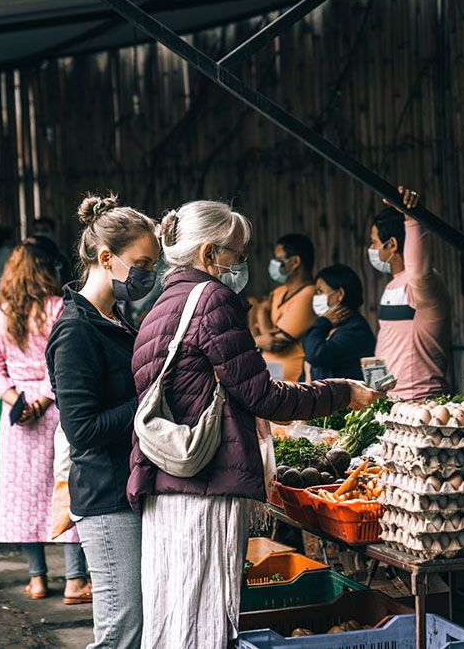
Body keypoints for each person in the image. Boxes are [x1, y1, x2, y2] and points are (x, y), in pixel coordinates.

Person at [129, 200, 383, 649]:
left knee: (172, 613)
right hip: (207, 487)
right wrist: (342, 392)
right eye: (237, 253)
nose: (242, 264)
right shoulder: (211, 298)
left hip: (168, 482)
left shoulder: (163, 303)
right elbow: (262, 395)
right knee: (205, 614)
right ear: (209, 254)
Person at [45, 194, 160, 649]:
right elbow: (83, 430)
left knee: (136, 624)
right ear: (107, 257)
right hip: (104, 496)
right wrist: (151, 400)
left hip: (127, 486)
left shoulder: (115, 319)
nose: (147, 275)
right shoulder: (75, 330)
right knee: (120, 631)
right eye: (142, 263)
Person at [0, 241, 90, 605]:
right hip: (56, 409)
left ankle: (37, 578)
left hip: (17, 420)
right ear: (46, 270)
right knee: (64, 487)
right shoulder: (58, 309)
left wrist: (17, 400)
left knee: (23, 496)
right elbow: (62, 362)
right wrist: (42, 400)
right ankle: (75, 581)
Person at [369, 186, 451, 399]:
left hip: (420, 402)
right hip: (390, 402)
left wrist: (411, 220)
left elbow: (419, 273)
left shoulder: (422, 285)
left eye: (374, 243)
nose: (371, 248)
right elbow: (388, 340)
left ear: (392, 245)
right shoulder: (391, 287)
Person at [254, 233, 318, 382]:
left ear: (295, 262)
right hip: (270, 379)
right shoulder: (279, 291)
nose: (274, 263)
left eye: (279, 259)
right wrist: (260, 338)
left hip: (294, 382)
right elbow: (259, 332)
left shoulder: (309, 295)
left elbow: (273, 343)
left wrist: (261, 312)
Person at [302, 264, 376, 381]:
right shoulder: (331, 326)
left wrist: (323, 322)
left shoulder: (355, 330)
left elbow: (315, 354)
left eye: (320, 291)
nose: (315, 296)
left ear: (340, 294)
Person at [30, 216, 75, 282]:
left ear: (53, 232)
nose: (40, 234)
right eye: (37, 230)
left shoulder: (60, 258)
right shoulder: (27, 256)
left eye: (44, 230)